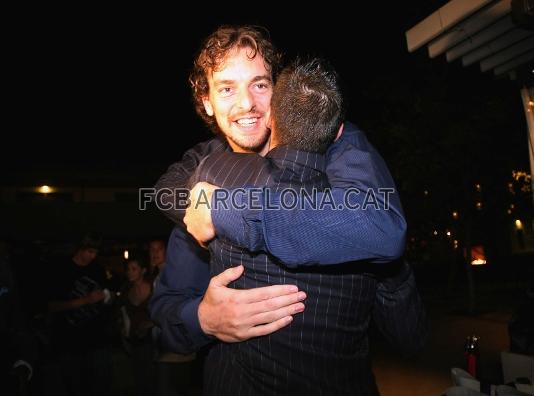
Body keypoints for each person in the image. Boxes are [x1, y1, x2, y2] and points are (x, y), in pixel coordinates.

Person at [150, 25, 407, 355]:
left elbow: (382, 226)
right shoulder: (200, 179)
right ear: (208, 102)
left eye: (259, 84)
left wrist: (225, 210)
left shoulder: (333, 149)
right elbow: (165, 318)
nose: (247, 104)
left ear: (278, 91)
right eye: (227, 89)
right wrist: (203, 319)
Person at [186, 56, 424, 395]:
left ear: (271, 117)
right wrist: (390, 266)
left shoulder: (214, 175)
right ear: (339, 131)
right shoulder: (363, 210)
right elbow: (410, 339)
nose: (246, 102)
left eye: (259, 86)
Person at [46, 233, 113, 396]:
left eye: (96, 252)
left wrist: (106, 298)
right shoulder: (61, 269)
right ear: (80, 249)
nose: (93, 256)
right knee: (73, 387)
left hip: (96, 340)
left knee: (98, 386)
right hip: (69, 341)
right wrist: (85, 301)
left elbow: (106, 296)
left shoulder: (97, 269)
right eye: (90, 251)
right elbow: (51, 306)